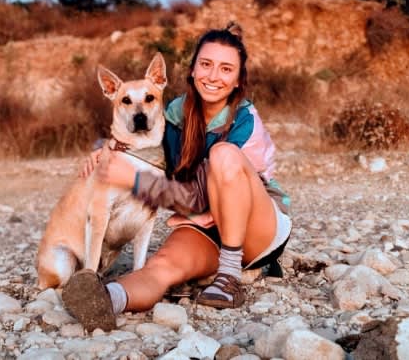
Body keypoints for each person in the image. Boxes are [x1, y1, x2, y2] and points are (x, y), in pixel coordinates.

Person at [61, 22, 292, 331]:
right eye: (206, 64)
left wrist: (134, 180)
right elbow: (150, 153)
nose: (213, 76)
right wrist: (107, 149)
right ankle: (106, 299)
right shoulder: (173, 112)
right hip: (207, 224)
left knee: (223, 155)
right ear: (192, 70)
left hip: (257, 226)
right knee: (161, 267)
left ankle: (229, 277)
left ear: (238, 81)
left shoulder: (244, 119)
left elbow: (200, 194)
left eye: (226, 69)